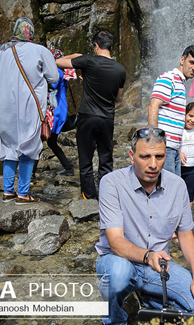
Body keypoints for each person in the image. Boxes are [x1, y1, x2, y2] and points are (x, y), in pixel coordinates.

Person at [95, 125, 194, 325]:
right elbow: (115, 243)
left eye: (159, 156)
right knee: (118, 275)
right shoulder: (111, 183)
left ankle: (146, 313)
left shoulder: (177, 186)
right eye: (145, 156)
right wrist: (147, 255)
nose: (153, 164)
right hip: (120, 260)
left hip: (158, 269)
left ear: (165, 156)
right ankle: (117, 323)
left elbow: (186, 234)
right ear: (132, 156)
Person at [0, 17, 58, 203]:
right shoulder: (40, 50)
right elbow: (54, 77)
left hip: (5, 109)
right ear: (30, 32)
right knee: (28, 148)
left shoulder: (0, 51)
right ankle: (23, 193)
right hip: (30, 109)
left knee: (9, 147)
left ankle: (8, 191)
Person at [56, 31, 126, 200]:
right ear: (111, 47)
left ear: (96, 46)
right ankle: (105, 196)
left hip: (87, 117)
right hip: (107, 119)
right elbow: (117, 98)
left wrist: (77, 56)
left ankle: (89, 196)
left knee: (86, 160)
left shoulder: (88, 60)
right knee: (105, 160)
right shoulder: (120, 69)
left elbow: (57, 62)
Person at [148, 45, 194, 176]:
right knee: (167, 190)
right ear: (182, 60)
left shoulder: (181, 83)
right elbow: (153, 106)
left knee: (172, 189)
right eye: (192, 62)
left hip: (174, 148)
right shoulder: (169, 78)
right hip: (164, 147)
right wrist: (154, 140)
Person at [47, 49, 76, 176]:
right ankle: (68, 168)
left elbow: (52, 86)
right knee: (50, 141)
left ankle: (69, 169)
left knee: (47, 140)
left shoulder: (57, 72)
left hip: (55, 110)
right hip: (60, 108)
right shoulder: (63, 71)